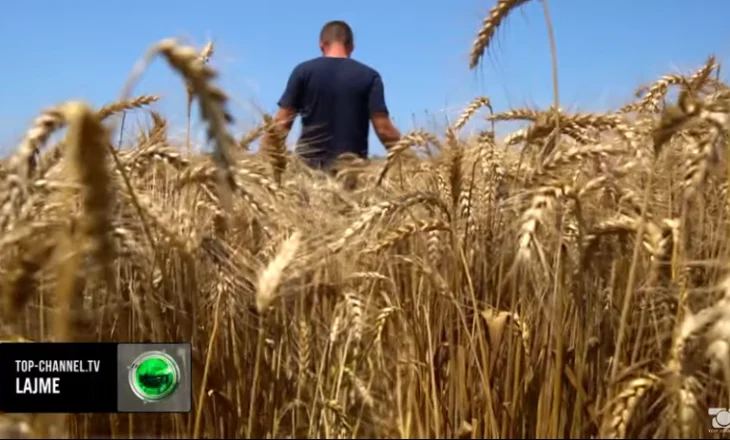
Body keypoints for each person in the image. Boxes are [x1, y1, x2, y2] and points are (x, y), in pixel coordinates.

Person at [267, 20, 402, 172]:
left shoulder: (303, 72)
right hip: (352, 174)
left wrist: (264, 164)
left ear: (321, 45)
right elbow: (384, 130)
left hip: (308, 174)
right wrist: (410, 159)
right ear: (351, 46)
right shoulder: (370, 76)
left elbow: (281, 125)